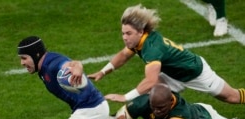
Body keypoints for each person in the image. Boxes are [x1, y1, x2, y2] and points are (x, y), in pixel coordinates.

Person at [88, 4, 245, 105]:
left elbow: (150, 80)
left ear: (140, 32)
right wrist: (103, 72)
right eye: (123, 33)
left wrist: (125, 97)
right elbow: (123, 56)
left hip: (195, 72)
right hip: (172, 74)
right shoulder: (138, 40)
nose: (124, 37)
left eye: (128, 33)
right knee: (153, 100)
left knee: (232, 97)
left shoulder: (152, 49)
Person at [17, 36, 109, 119]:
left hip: (89, 109)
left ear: (36, 54)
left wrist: (78, 68)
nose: (22, 63)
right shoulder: (44, 67)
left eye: (24, 58)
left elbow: (71, 64)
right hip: (96, 106)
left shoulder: (52, 64)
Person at [102, 83, 240, 119]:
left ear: (170, 101)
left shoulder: (182, 112)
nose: (156, 111)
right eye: (153, 106)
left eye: (161, 108)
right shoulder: (142, 103)